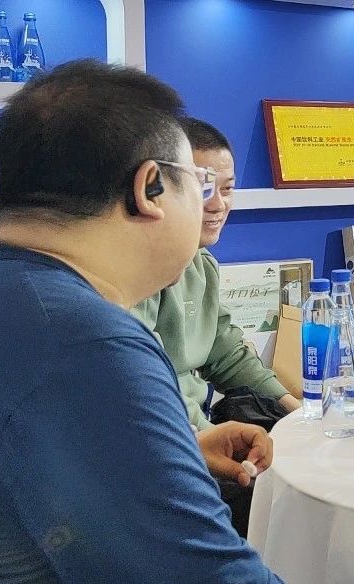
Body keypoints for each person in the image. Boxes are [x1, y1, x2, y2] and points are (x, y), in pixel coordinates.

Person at [0, 60, 326, 584]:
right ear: (150, 188)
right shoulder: (85, 343)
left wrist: (176, 449)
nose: (210, 203)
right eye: (199, 183)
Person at [132, 118, 299, 537]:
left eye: (227, 189)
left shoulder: (201, 264)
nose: (217, 204)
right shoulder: (136, 272)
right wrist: (205, 440)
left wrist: (295, 408)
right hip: (167, 447)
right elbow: (145, 382)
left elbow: (226, 352)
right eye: (203, 188)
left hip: (197, 436)